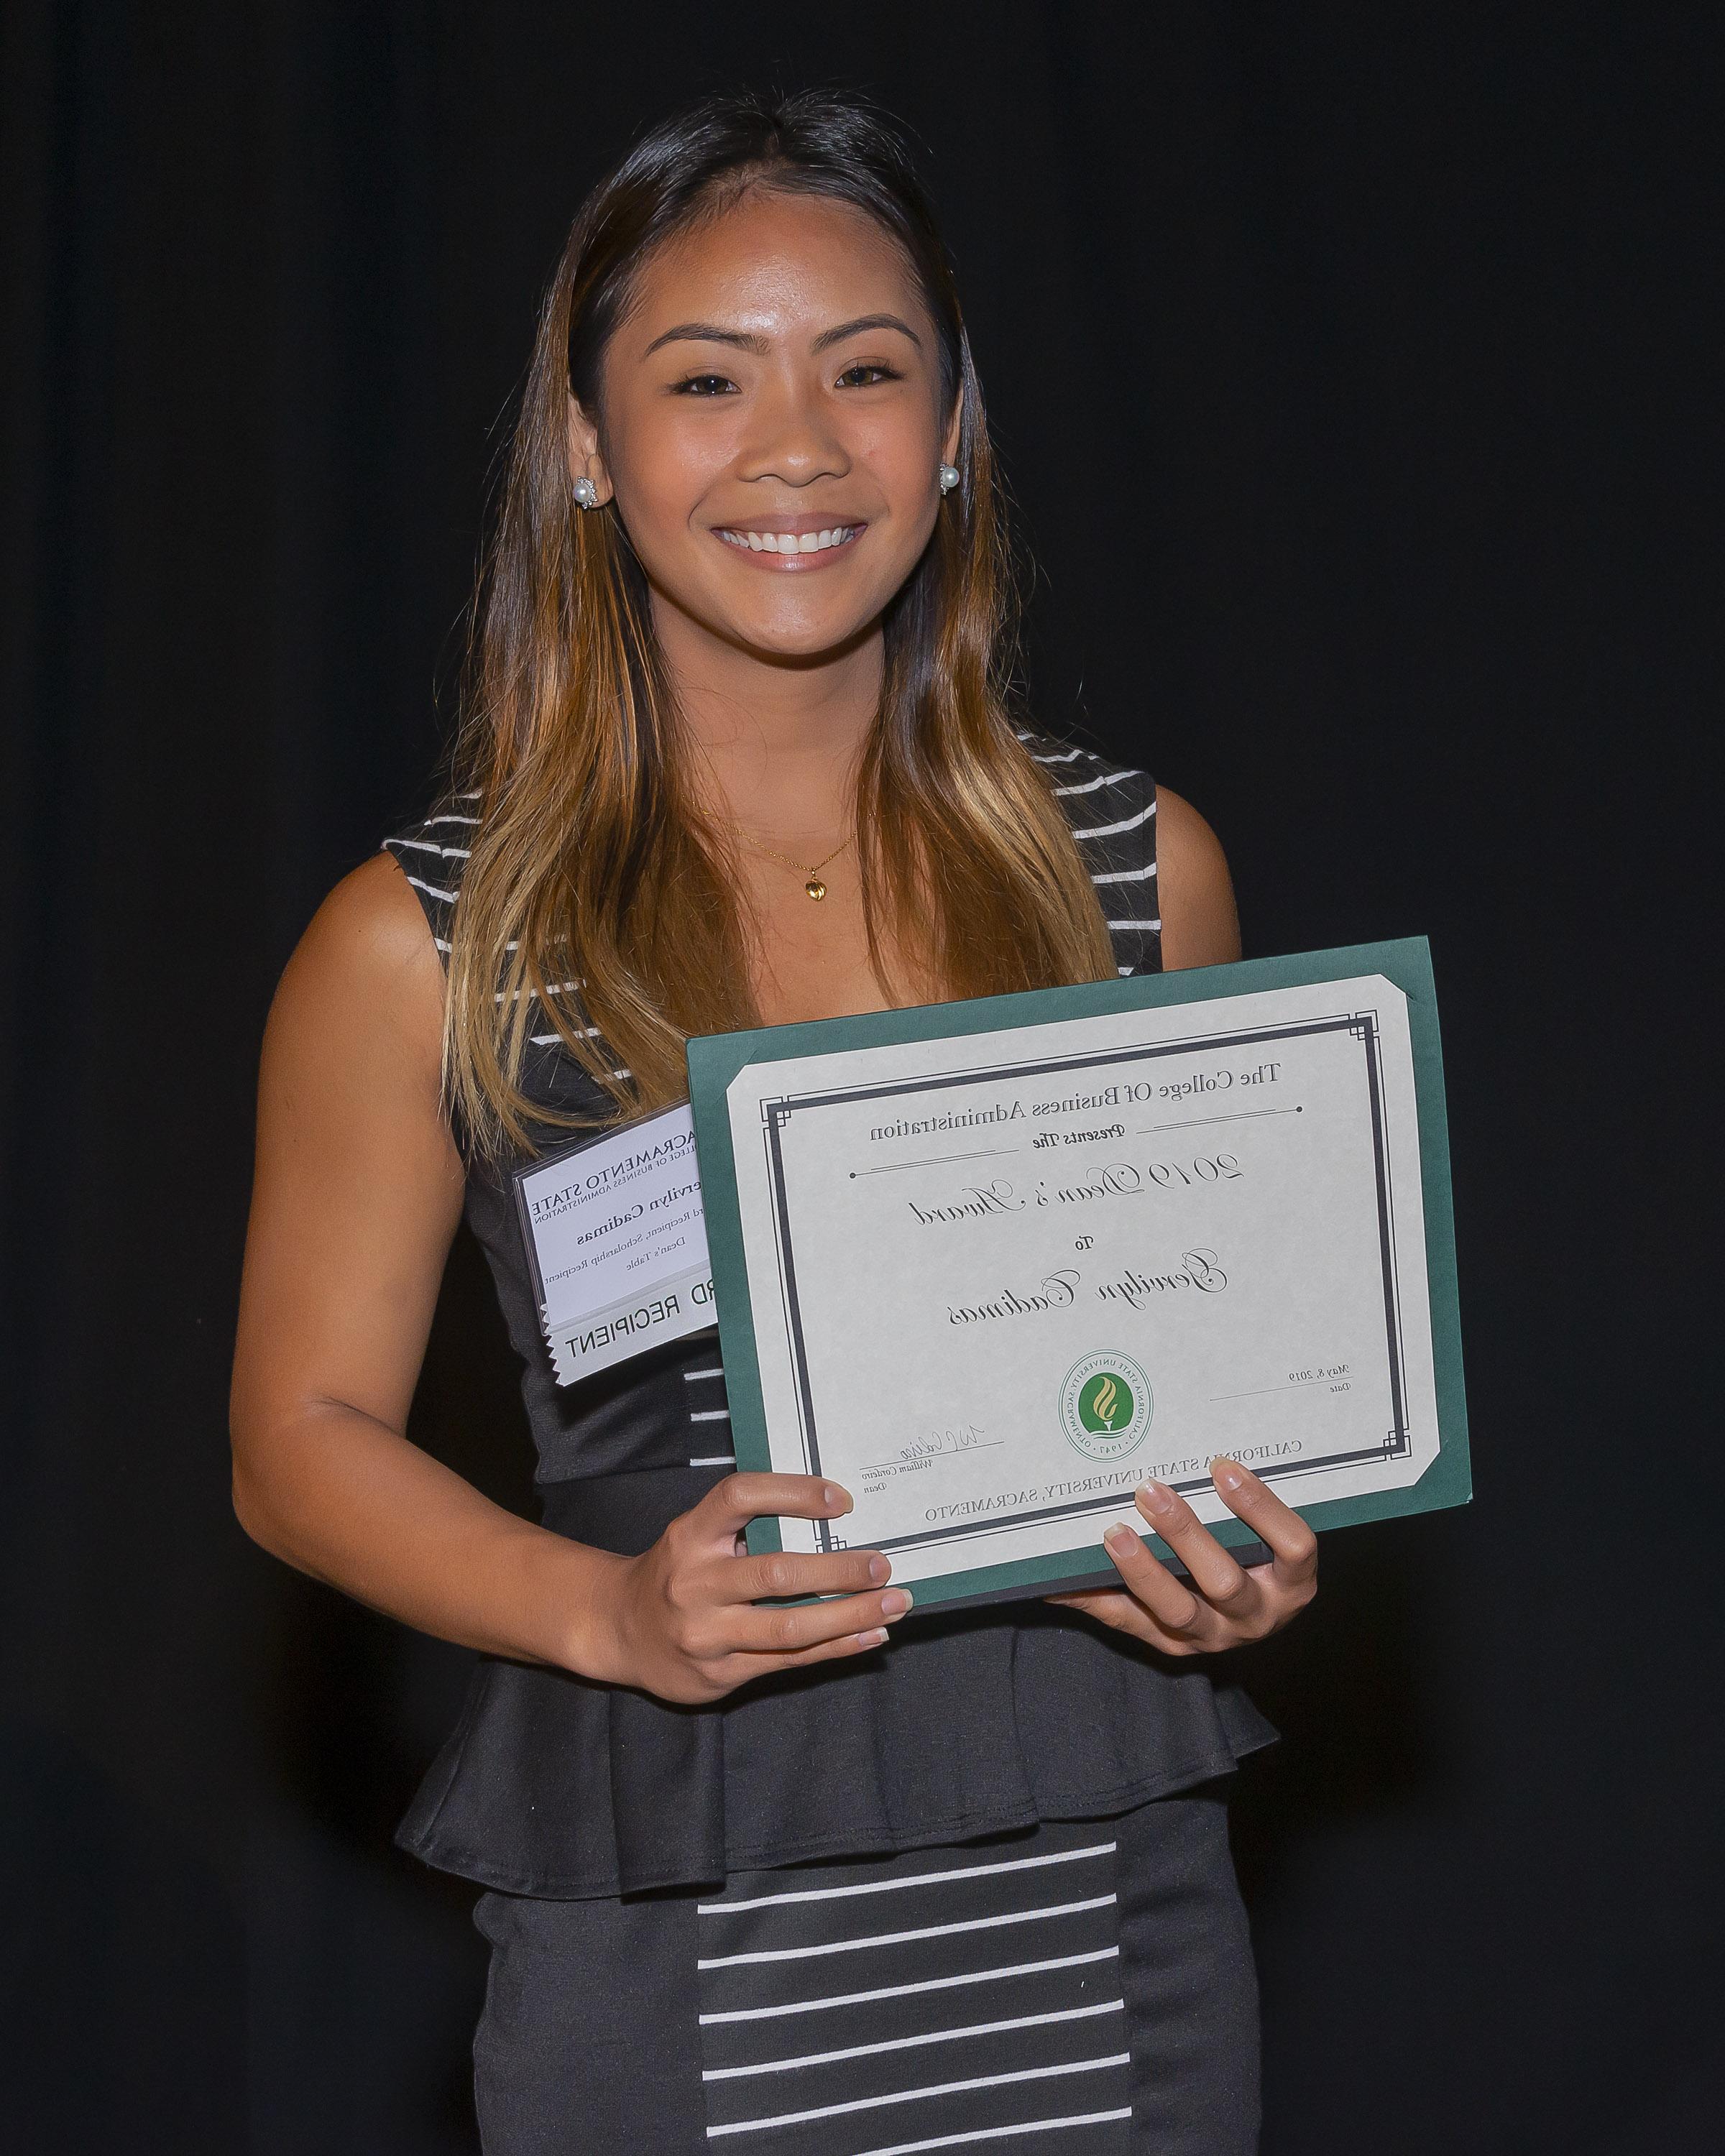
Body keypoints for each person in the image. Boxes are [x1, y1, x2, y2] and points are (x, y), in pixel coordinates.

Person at [231, 88, 1317, 2156]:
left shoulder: (1137, 870)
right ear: (583, 442)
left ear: (957, 425)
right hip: (684, 1916)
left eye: (870, 371)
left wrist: (1242, 1561)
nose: (800, 446)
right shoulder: (419, 942)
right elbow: (295, 1451)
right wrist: (602, 1612)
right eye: (707, 378)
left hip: (1102, 1914)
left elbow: (1214, 1384)